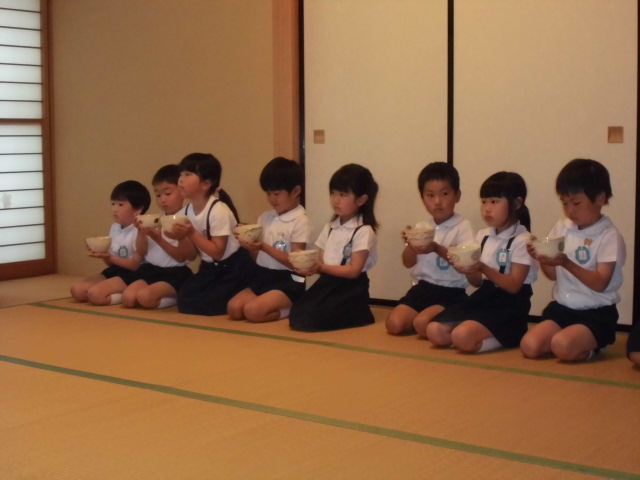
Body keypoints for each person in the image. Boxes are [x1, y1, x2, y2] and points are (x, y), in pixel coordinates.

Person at [520, 159, 626, 362]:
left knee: (562, 346)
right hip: (562, 309)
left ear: (600, 198)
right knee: (529, 346)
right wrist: (542, 258)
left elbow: (600, 283)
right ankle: (570, 340)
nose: (570, 211)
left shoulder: (609, 235)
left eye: (576, 203)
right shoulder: (562, 227)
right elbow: (552, 275)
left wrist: (566, 262)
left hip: (596, 313)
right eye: (564, 203)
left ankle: (593, 346)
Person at [427, 172, 537, 353]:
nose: (487, 209)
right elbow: (477, 282)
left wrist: (482, 267)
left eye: (494, 202)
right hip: (484, 297)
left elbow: (514, 286)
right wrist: (465, 266)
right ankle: (475, 335)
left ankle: (511, 334)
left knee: (462, 336)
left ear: (517, 203)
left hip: (510, 305)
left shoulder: (523, 239)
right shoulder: (483, 235)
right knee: (435, 331)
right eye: (484, 202)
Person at [385, 162, 474, 336]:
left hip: (451, 292)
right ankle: (433, 319)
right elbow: (407, 263)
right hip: (422, 289)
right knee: (394, 324)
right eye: (430, 195)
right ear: (423, 198)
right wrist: (411, 245)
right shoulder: (421, 226)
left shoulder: (463, 227)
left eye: (445, 194)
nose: (437, 202)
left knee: (422, 323)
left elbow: (466, 264)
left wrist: (436, 248)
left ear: (457, 195)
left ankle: (453, 317)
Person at [289, 163, 378, 331]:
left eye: (342, 194)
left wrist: (321, 268)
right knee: (298, 314)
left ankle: (359, 313)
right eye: (333, 193)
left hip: (351, 288)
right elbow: (321, 261)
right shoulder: (330, 227)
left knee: (312, 319)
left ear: (361, 199)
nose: (336, 199)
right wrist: (308, 266)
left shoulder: (364, 231)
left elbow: (353, 271)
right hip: (328, 282)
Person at [227, 157, 313, 322]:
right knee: (234, 309)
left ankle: (291, 308)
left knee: (253, 312)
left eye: (277, 193)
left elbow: (296, 263)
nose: (272, 199)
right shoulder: (265, 217)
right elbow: (258, 256)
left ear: (296, 191)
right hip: (262, 275)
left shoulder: (300, 221)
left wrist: (263, 247)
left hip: (288, 280)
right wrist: (249, 245)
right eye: (268, 193)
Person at [171, 153, 255, 316]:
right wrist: (179, 236)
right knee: (185, 299)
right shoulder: (185, 212)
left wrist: (191, 232)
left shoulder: (218, 210)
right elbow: (189, 255)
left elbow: (217, 252)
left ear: (206, 184)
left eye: (188, 174)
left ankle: (245, 291)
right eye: (181, 174)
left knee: (208, 304)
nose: (181, 179)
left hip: (233, 267)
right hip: (209, 268)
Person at [122, 165, 196, 309]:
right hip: (151, 269)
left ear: (182, 191)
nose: (162, 199)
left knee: (145, 298)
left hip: (175, 272)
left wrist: (158, 238)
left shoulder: (186, 219)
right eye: (158, 195)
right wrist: (141, 232)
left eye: (167, 193)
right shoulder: (156, 218)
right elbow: (142, 252)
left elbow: (183, 257)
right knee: (128, 298)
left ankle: (177, 297)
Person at [70, 180, 150, 305]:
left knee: (95, 295)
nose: (114, 209)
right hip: (115, 270)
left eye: (120, 205)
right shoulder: (115, 227)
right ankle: (116, 292)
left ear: (139, 209)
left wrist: (110, 257)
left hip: (133, 274)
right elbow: (110, 263)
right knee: (77, 291)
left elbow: (134, 265)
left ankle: (125, 296)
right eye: (113, 204)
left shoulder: (141, 228)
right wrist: (101, 252)